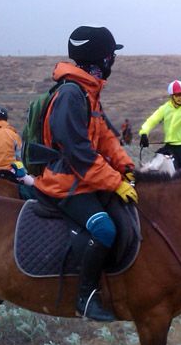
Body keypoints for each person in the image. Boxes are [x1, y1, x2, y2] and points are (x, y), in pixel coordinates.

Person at [33, 25, 136, 322]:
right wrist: (115, 182)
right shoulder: (70, 94)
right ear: (100, 59)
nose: (112, 62)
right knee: (104, 229)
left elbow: (105, 137)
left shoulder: (87, 93)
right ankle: (85, 296)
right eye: (110, 56)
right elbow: (78, 152)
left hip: (82, 179)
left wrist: (126, 167)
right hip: (64, 183)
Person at [138, 80, 181, 170]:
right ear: (171, 96)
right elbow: (151, 121)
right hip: (169, 146)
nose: (180, 98)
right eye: (177, 95)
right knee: (153, 166)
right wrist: (144, 133)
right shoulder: (165, 108)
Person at [0, 106, 22, 174]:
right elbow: (20, 156)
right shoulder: (14, 135)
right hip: (11, 171)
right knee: (33, 184)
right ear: (6, 119)